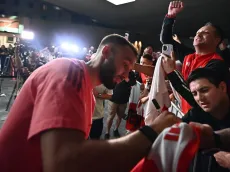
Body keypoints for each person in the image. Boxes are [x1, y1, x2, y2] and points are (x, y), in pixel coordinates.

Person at [0, 34, 179, 172]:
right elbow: (64, 162)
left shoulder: (88, 94)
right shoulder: (69, 70)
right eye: (125, 65)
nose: (126, 76)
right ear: (106, 52)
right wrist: (151, 132)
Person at [160, 1, 228, 114]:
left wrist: (172, 73)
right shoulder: (189, 56)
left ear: (217, 40)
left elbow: (197, 99)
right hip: (189, 113)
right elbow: (166, 39)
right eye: (197, 33)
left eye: (205, 33)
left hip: (207, 119)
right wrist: (170, 16)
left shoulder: (216, 64)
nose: (198, 35)